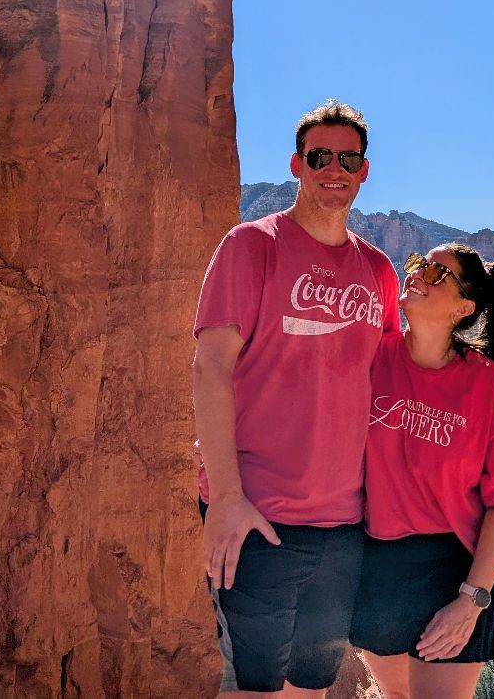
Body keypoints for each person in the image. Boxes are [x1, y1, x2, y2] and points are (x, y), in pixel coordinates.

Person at [193, 99, 401, 698]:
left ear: (365, 171)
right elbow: (210, 368)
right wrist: (227, 499)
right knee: (256, 685)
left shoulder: (380, 271)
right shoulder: (250, 246)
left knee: (312, 681)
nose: (333, 168)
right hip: (258, 516)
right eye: (319, 156)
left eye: (348, 158)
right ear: (296, 164)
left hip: (344, 524)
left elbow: (389, 382)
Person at [349, 243, 494, 699]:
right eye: (420, 264)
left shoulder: (487, 384)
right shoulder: (369, 357)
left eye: (438, 273)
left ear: (465, 307)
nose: (420, 273)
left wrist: (470, 600)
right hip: (378, 564)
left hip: (456, 569)